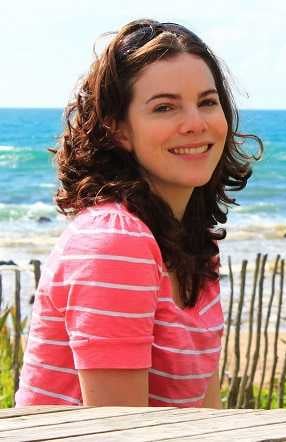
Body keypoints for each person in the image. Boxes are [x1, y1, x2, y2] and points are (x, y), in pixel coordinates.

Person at [15, 19, 263, 408]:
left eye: (207, 102)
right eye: (164, 107)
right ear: (119, 130)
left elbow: (208, 421)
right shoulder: (115, 240)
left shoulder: (194, 245)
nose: (195, 123)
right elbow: (119, 429)